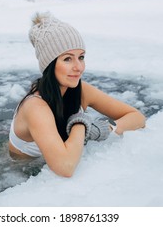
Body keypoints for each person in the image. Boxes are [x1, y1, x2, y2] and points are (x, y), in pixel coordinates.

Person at [8, 12, 146, 177]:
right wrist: (80, 124)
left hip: (56, 157)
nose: (78, 67)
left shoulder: (80, 90)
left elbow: (137, 117)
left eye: (81, 57)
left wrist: (107, 129)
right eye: (67, 59)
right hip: (20, 171)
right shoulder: (35, 106)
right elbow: (65, 168)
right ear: (49, 65)